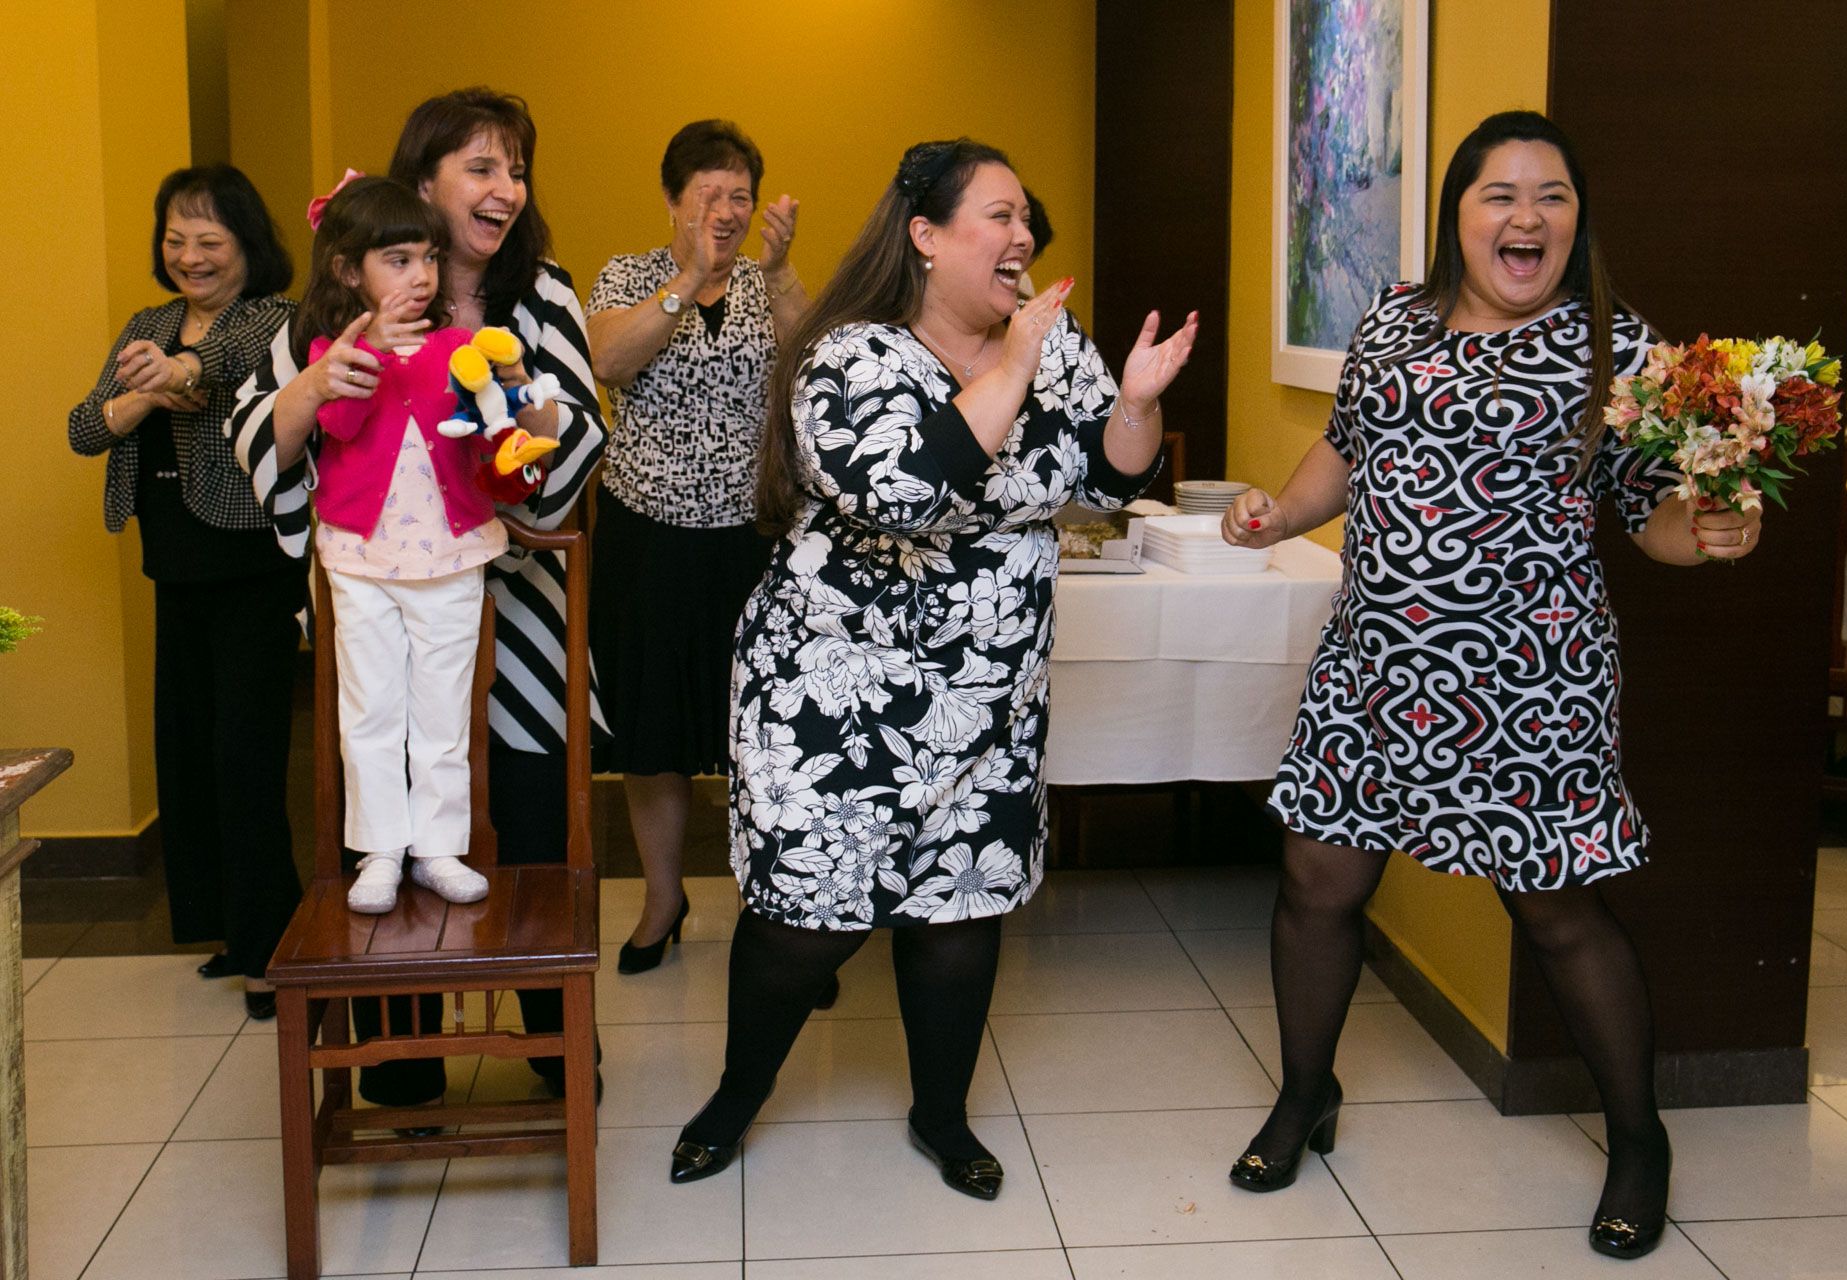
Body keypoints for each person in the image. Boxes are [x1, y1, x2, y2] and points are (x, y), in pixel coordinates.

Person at [1218, 110, 1761, 1260]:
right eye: (1500, 194)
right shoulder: (1391, 320)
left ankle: (1639, 1139)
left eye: (1551, 196)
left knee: (1556, 907)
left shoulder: (1614, 345)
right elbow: (1345, 449)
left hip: (1535, 681)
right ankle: (1305, 1093)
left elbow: (1652, 512)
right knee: (1317, 879)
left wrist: (1710, 529)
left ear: (1577, 219)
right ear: (1457, 215)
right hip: (1372, 663)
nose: (1527, 216)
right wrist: (1277, 512)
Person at [667, 139, 1199, 1198]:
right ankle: (735, 1093)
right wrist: (1014, 368)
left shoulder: (1050, 339)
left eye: (1027, 219)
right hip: (834, 694)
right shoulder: (851, 357)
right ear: (925, 236)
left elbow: (1106, 483)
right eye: (1000, 217)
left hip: (989, 696)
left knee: (960, 910)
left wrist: (1134, 404)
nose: (1024, 237)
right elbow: (904, 491)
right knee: (805, 922)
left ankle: (942, 1115)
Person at [230, 88, 608, 1105]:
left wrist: (518, 421)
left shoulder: (543, 296)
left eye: (516, 169)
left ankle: (550, 1044)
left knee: (529, 820)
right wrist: (316, 391)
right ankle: (404, 1064)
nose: (506, 189)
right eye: (481, 167)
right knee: (383, 757)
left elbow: (577, 439)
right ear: (423, 182)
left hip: (522, 622)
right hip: (377, 594)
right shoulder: (333, 303)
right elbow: (261, 432)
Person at [67, 164, 303, 1021]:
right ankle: (229, 930)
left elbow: (224, 373)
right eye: (176, 239)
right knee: (191, 758)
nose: (190, 256)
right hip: (172, 564)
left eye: (210, 240)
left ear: (247, 244)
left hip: (250, 566)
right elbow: (84, 428)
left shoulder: (274, 319)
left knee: (246, 759)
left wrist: (173, 379)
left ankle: (272, 945)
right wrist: (145, 394)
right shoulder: (146, 324)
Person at [584, 119, 810, 977]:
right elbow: (609, 361)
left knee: (766, 733)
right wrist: (688, 279)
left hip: (752, 541)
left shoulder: (766, 281)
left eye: (740, 195)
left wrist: (780, 272)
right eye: (708, 193)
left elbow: (813, 369)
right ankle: (662, 900)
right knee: (653, 733)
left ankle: (776, 918)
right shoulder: (628, 275)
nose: (726, 209)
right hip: (646, 538)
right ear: (672, 200)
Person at [294, 174, 530, 912]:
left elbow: (487, 442)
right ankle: (378, 851)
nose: (421, 275)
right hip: (359, 559)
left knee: (442, 711)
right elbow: (336, 427)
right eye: (398, 260)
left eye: (428, 258)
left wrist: (509, 394)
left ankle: (437, 847)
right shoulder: (334, 352)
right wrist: (364, 355)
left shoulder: (459, 348)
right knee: (369, 710)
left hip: (450, 555)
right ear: (347, 270)